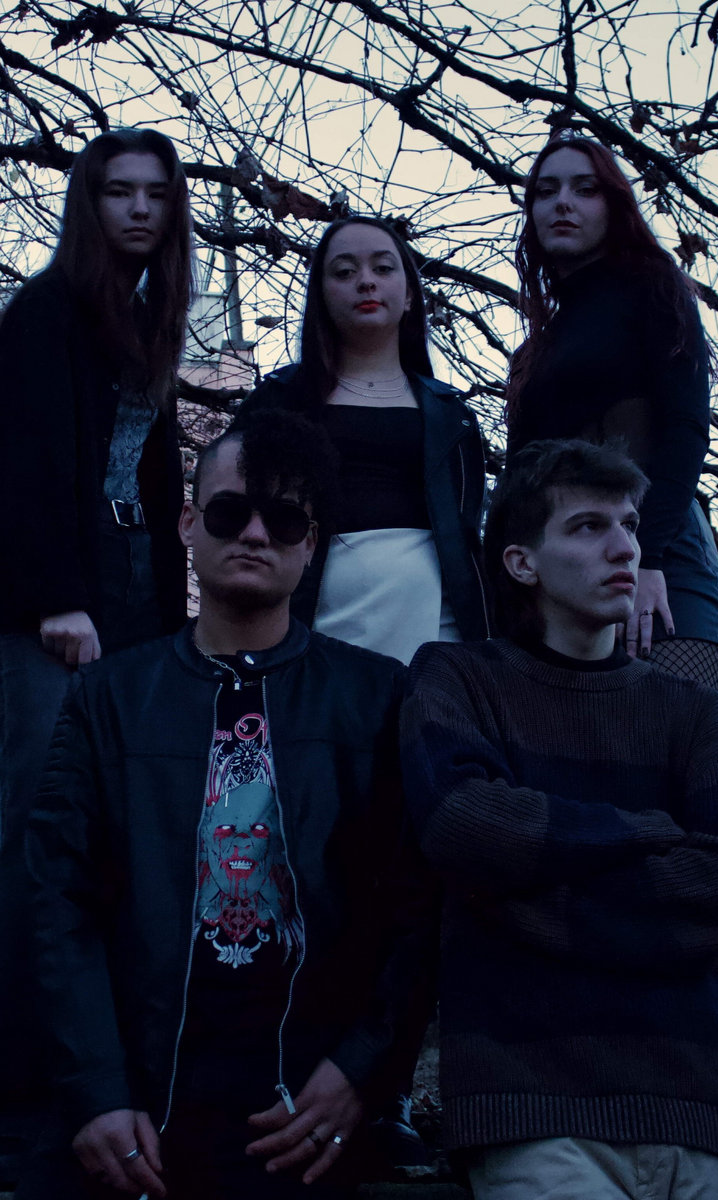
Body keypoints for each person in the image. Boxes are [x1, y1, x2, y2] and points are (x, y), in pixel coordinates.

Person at [21, 409, 435, 1200]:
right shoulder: (109, 698)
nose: (254, 534)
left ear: (310, 545)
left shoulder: (376, 698)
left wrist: (360, 1072)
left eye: (284, 519)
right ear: (187, 524)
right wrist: (96, 1092)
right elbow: (57, 903)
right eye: (228, 512)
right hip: (134, 1112)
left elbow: (415, 910)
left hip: (302, 1125)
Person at [400, 438, 718, 1200]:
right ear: (522, 562)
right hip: (534, 1111)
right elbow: (462, 826)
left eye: (629, 525)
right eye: (589, 526)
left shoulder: (694, 714)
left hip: (701, 1113)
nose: (624, 548)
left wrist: (520, 891)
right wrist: (648, 831)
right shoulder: (460, 679)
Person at [0, 126, 194, 1179]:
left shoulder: (148, 321)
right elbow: (21, 465)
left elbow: (153, 484)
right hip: (56, 605)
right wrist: (55, 600)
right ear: (89, 203)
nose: (139, 210)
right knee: (38, 830)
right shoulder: (44, 315)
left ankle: (106, 1083)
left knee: (121, 830)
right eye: (119, 193)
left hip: (134, 594)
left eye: (156, 194)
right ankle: (23, 1100)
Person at [507, 131, 718, 691]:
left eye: (584, 189)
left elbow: (686, 428)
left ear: (614, 206)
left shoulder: (652, 288)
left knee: (674, 728)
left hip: (660, 549)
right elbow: (521, 481)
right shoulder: (538, 348)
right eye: (546, 191)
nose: (562, 203)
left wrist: (646, 557)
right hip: (563, 574)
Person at [231, 215, 491, 667]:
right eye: (345, 271)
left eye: (383, 268)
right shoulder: (276, 402)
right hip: (306, 634)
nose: (366, 282)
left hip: (435, 635)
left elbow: (467, 535)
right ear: (321, 295)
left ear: (409, 295)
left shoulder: (453, 416)